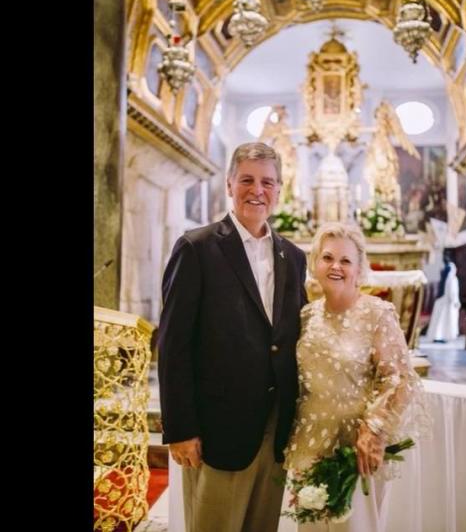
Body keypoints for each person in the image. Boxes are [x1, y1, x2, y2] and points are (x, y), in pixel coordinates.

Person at [156, 142, 309, 532]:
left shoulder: (292, 256)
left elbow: (296, 335)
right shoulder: (197, 247)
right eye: (247, 180)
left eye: (267, 182)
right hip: (217, 427)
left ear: (279, 189)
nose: (258, 190)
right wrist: (181, 429)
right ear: (229, 184)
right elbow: (173, 346)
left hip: (275, 428)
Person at [283, 223, 430, 532]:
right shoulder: (306, 316)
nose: (335, 266)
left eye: (345, 260)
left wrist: (374, 430)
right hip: (310, 444)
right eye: (327, 258)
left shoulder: (377, 313)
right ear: (315, 263)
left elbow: (398, 377)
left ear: (360, 268)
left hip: (357, 449)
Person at [426, 260, 461, 343]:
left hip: (442, 302)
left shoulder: (445, 279)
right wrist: (456, 302)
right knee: (444, 321)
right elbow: (453, 293)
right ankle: (441, 336)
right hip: (448, 304)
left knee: (439, 320)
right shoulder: (453, 279)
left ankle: (437, 336)